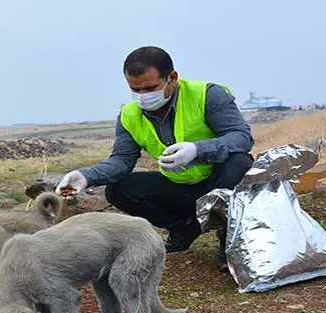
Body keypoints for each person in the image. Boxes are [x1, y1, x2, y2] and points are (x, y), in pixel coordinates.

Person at [55, 46, 254, 271]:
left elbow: (241, 137)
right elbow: (122, 160)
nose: (143, 96)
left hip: (219, 183)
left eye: (150, 88)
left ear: (172, 78)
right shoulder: (129, 116)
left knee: (239, 162)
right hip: (181, 188)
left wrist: (197, 149)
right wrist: (85, 176)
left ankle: (229, 236)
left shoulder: (208, 95)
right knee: (118, 189)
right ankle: (184, 227)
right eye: (135, 89)